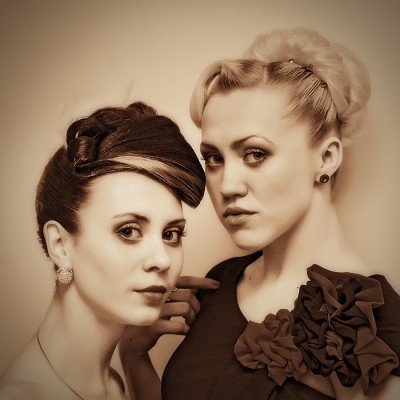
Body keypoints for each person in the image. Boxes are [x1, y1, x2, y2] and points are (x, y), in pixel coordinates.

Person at [122, 28, 400, 399]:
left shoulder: (375, 323)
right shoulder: (219, 282)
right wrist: (134, 358)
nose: (227, 185)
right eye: (214, 158)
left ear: (327, 157)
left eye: (255, 154)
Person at [0, 101, 206, 399]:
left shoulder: (110, 383)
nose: (162, 260)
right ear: (60, 245)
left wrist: (134, 358)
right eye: (128, 231)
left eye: (171, 234)